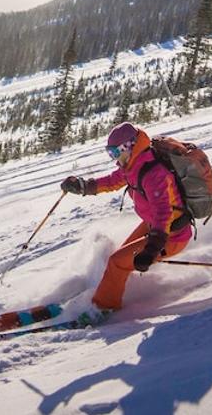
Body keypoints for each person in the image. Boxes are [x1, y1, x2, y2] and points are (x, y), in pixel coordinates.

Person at [60, 122, 191, 320]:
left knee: (117, 262)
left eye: (114, 153)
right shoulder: (133, 165)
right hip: (154, 225)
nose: (113, 158)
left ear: (128, 147)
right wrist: (84, 187)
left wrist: (152, 248)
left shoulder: (154, 173)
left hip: (171, 235)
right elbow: (113, 181)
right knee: (121, 255)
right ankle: (112, 291)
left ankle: (102, 308)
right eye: (109, 153)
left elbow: (164, 212)